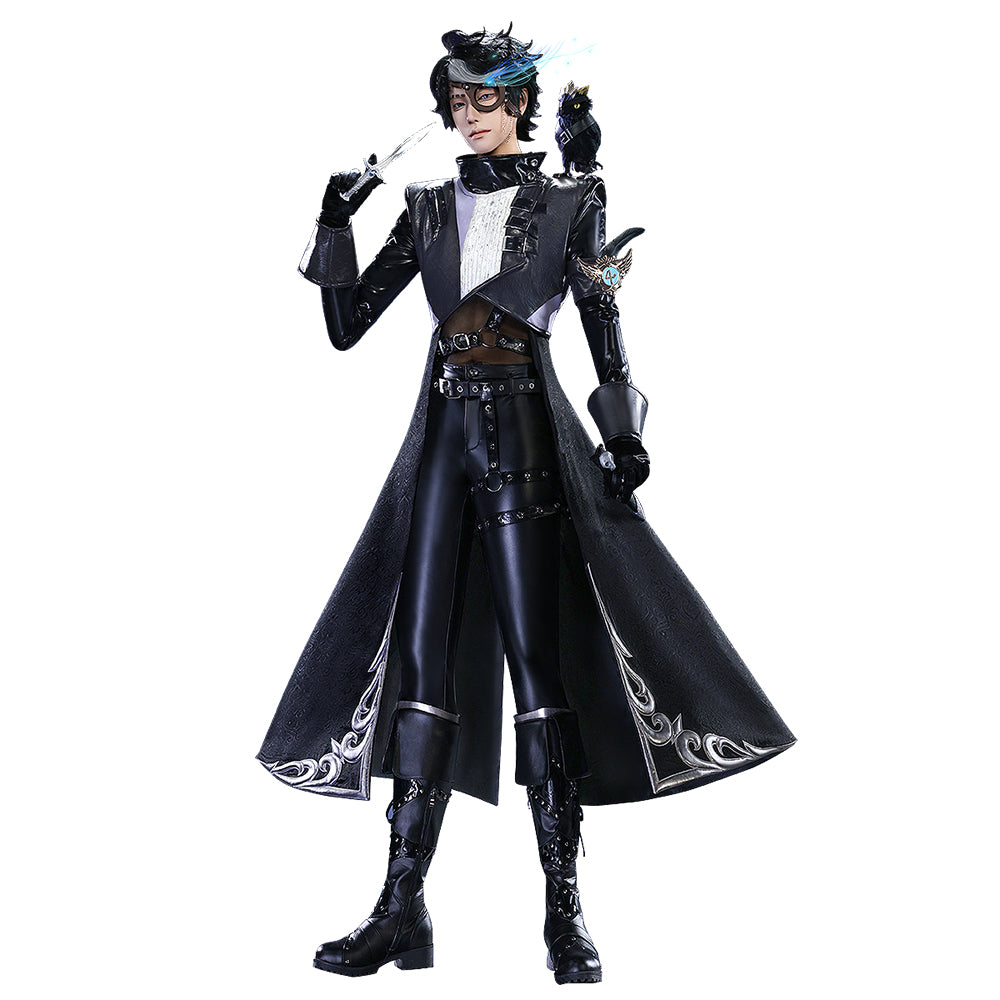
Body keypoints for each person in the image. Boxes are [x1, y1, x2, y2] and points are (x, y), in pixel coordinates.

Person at [258, 25, 794, 985]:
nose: (468, 116)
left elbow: (602, 318)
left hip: (526, 441)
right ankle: (400, 907)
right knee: (420, 664)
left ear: (518, 103)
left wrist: (623, 432)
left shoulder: (569, 201)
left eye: (485, 100)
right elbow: (346, 326)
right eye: (456, 102)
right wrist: (333, 224)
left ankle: (563, 912)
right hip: (442, 441)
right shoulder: (426, 207)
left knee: (540, 672)